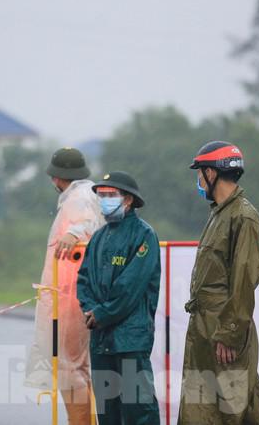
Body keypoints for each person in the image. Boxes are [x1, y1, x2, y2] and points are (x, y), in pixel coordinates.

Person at [178, 141, 259, 425]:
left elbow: (244, 279)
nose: (198, 179)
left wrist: (230, 331)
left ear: (211, 173)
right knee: (216, 407)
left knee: (227, 411)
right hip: (206, 327)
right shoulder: (220, 213)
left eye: (200, 172)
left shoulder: (243, 216)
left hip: (223, 329)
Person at [25, 147, 105, 425]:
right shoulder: (82, 194)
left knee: (72, 369)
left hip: (71, 297)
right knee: (76, 367)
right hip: (70, 293)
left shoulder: (80, 197)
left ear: (57, 177)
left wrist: (74, 233)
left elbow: (88, 224)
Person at [76, 171, 161, 425]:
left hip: (130, 340)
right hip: (101, 339)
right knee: (107, 411)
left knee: (139, 409)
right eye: (101, 196)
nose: (104, 201)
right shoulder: (99, 237)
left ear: (128, 200)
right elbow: (83, 280)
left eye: (111, 195)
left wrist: (102, 314)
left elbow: (130, 287)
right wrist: (90, 309)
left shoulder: (144, 235)